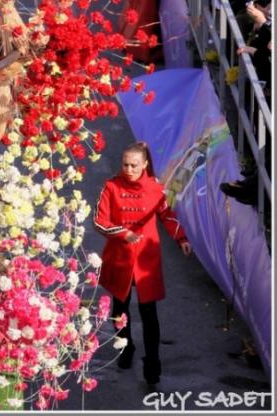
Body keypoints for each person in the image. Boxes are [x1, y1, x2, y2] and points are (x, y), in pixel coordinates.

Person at [94, 142, 192, 386]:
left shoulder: (156, 188)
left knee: (149, 313)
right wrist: (123, 233)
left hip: (146, 258)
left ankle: (153, 362)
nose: (128, 169)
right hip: (119, 256)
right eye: (125, 164)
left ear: (145, 164)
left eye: (134, 165)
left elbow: (168, 215)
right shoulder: (111, 187)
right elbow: (100, 221)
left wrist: (181, 238)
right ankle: (125, 346)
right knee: (120, 307)